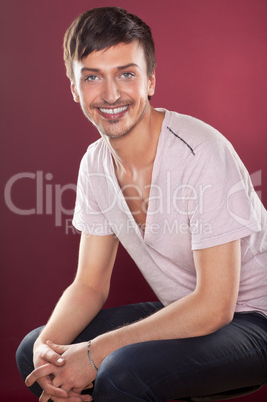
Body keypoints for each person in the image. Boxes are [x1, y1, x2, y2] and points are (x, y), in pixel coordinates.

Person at [16, 6, 267, 402]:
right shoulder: (95, 164)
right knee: (32, 353)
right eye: (93, 77)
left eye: (126, 74)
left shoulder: (200, 152)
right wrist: (48, 349)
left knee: (120, 371)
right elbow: (89, 285)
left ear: (150, 80)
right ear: (74, 88)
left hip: (253, 321)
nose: (111, 94)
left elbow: (216, 306)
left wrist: (96, 354)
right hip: (184, 309)